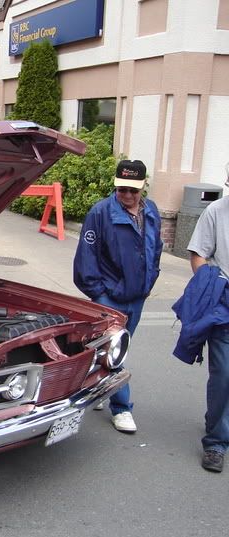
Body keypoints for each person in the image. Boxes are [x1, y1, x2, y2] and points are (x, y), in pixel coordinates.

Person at [73, 159, 163, 433]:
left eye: (132, 190)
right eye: (122, 189)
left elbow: (155, 248)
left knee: (114, 349)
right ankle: (122, 408)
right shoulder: (100, 213)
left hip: (137, 296)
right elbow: (85, 259)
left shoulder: (152, 211)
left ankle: (99, 385)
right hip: (109, 299)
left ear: (143, 187)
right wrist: (99, 294)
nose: (126, 195)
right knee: (116, 350)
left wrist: (150, 281)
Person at [179, 162, 229, 473]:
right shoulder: (217, 211)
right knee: (224, 374)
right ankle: (215, 441)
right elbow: (198, 252)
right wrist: (209, 285)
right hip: (225, 301)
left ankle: (218, 421)